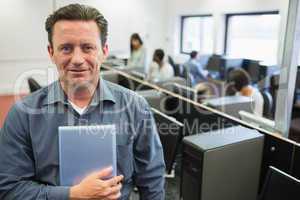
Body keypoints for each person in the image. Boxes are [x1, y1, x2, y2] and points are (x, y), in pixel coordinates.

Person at [0, 4, 165, 200]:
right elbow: (9, 189)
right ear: (51, 52)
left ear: (103, 51)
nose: (77, 59)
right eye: (66, 48)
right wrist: (70, 195)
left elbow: (152, 181)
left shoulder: (136, 108)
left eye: (88, 47)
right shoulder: (23, 115)